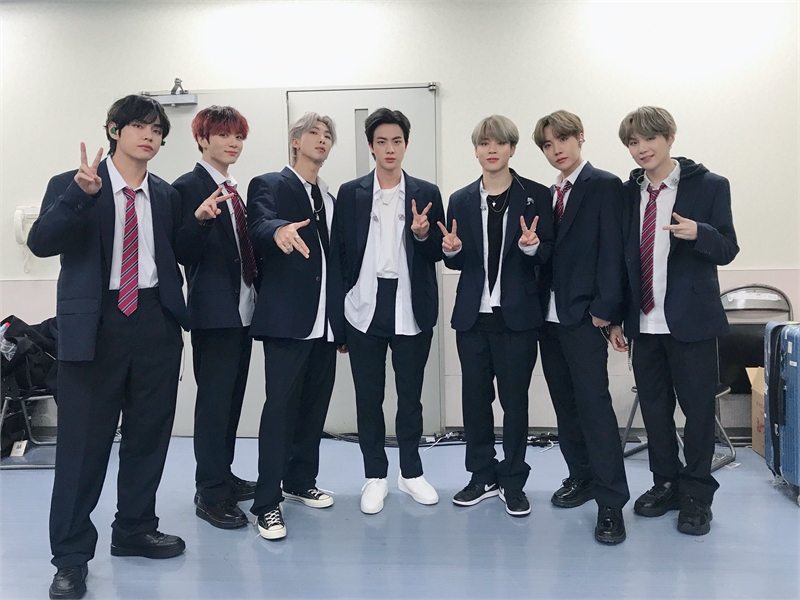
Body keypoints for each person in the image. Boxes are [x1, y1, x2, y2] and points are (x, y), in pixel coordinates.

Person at [27, 95, 189, 600]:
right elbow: (40, 243)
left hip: (155, 322)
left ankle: (135, 528)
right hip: (95, 325)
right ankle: (71, 558)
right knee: (83, 448)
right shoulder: (74, 182)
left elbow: (172, 255)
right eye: (139, 126)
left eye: (157, 130)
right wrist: (79, 196)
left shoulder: (165, 194)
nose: (149, 136)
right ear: (114, 131)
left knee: (148, 436)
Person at [611, 106, 738, 536]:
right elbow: (621, 260)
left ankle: (697, 495)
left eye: (650, 138)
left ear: (669, 137)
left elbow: (728, 247)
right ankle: (665, 483)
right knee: (655, 412)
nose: (641, 149)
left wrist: (700, 232)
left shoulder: (710, 185)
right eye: (633, 142)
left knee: (698, 413)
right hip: (644, 324)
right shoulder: (628, 194)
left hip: (692, 323)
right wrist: (617, 318)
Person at [441, 115, 554, 517]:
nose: (492, 150)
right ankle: (482, 476)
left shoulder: (536, 195)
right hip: (473, 318)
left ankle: (513, 480)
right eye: (484, 143)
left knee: (515, 403)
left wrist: (531, 246)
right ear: (476, 151)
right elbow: (454, 259)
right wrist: (452, 251)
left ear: (512, 149)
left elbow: (547, 253)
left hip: (517, 318)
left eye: (500, 143)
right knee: (475, 402)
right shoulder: (459, 199)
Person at [334, 108, 445, 514]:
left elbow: (439, 252)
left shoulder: (426, 192)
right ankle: (375, 476)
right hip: (363, 305)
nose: (390, 149)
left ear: (406, 144)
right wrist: (338, 324)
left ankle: (411, 473)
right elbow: (339, 255)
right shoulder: (351, 193)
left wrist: (423, 235)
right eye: (381, 141)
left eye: (397, 141)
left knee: (410, 396)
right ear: (371, 146)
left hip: (410, 304)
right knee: (369, 397)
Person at [532, 110, 629, 544]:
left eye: (563, 140)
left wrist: (607, 311)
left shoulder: (604, 185)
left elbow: (614, 250)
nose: (557, 150)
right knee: (565, 405)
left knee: (594, 407)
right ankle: (582, 476)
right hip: (548, 318)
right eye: (548, 145)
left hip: (586, 317)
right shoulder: (550, 193)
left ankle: (611, 502)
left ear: (580, 138)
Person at [246, 112, 345, 540]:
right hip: (288, 320)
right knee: (280, 410)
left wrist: (340, 325)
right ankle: (267, 502)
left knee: (314, 408)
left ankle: (300, 481)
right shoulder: (271, 184)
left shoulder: (329, 196)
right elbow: (259, 223)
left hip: (325, 324)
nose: (322, 140)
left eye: (328, 136)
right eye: (313, 133)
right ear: (294, 141)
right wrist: (279, 231)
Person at [173, 106, 260, 530]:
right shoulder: (187, 187)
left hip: (242, 312)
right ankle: (209, 493)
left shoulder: (232, 188)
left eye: (239, 137)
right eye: (224, 135)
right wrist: (199, 220)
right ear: (202, 139)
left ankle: (222, 474)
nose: (233, 143)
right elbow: (180, 252)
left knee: (231, 402)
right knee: (213, 406)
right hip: (213, 314)